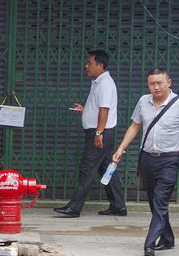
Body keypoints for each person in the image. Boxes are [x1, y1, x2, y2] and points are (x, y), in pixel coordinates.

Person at [111, 68, 179, 256]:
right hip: (147, 158)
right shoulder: (144, 101)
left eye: (160, 82)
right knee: (153, 200)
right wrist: (121, 149)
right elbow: (135, 125)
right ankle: (168, 238)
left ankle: (150, 243)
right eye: (152, 83)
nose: (156, 87)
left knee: (160, 200)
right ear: (148, 84)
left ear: (169, 82)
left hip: (170, 159)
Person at [53, 48, 126, 218]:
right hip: (100, 131)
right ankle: (118, 205)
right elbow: (98, 108)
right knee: (107, 169)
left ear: (100, 65)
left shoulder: (105, 84)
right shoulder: (98, 82)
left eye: (90, 63)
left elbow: (104, 110)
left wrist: (98, 133)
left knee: (87, 169)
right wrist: (85, 110)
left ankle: (74, 207)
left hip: (100, 132)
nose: (86, 66)